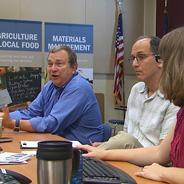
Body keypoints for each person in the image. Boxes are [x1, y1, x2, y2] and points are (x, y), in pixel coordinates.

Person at [78, 27, 184, 183]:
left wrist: (164, 173)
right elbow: (160, 153)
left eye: (165, 60)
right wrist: (102, 153)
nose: (163, 66)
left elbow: (160, 160)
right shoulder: (181, 112)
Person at [1, 45, 105, 144]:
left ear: (74, 67)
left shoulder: (79, 87)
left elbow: (51, 124)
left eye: (59, 64)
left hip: (83, 151)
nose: (53, 69)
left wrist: (13, 123)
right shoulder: (50, 86)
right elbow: (31, 113)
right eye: (50, 64)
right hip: (58, 142)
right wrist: (3, 118)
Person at [95, 36, 179, 150]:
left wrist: (108, 150)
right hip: (128, 157)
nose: (134, 64)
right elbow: (126, 133)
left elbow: (163, 152)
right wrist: (110, 147)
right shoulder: (136, 89)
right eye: (133, 58)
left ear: (160, 60)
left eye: (141, 57)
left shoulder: (174, 96)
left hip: (152, 163)